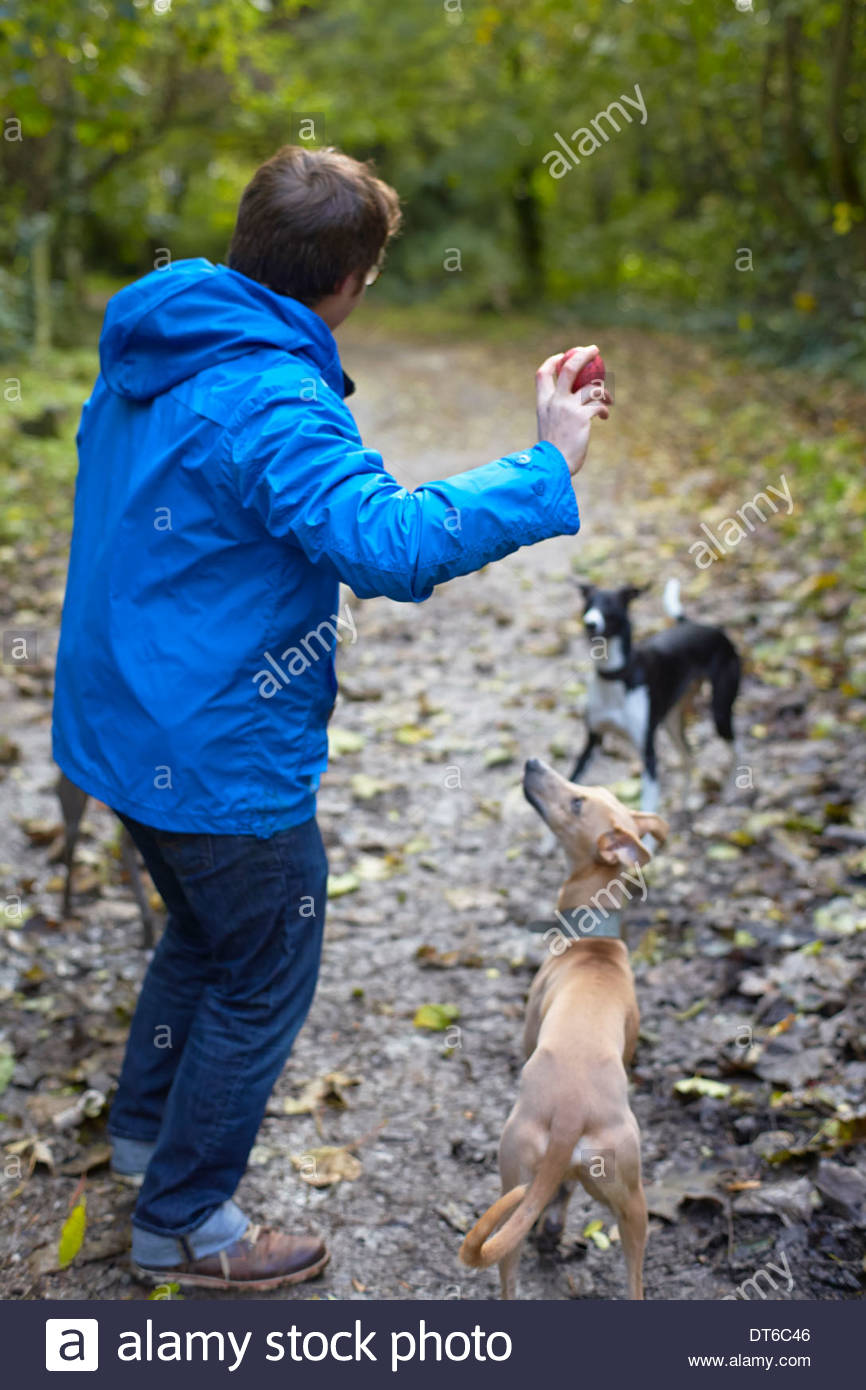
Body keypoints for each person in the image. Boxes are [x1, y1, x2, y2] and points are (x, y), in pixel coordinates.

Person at [52, 144, 611, 1291]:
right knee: (264, 964)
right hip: (212, 748)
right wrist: (547, 460)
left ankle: (149, 1134)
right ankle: (184, 1220)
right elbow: (386, 544)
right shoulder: (270, 393)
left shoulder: (161, 346)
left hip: (126, 725)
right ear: (352, 281)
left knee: (209, 933)